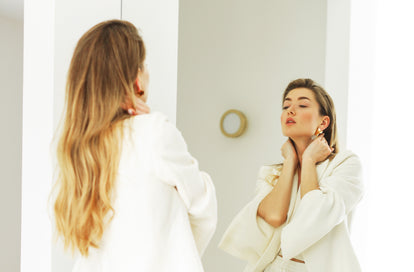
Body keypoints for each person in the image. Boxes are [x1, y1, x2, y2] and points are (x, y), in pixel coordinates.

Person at [52, 20, 217, 272]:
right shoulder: (154, 132)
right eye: (144, 64)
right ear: (137, 78)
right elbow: (203, 207)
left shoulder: (79, 150)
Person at [218, 78, 364, 272]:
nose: (290, 110)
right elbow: (274, 215)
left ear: (324, 121)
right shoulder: (271, 173)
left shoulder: (345, 165)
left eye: (302, 105)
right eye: (286, 105)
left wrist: (309, 161)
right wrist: (290, 162)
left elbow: (315, 217)